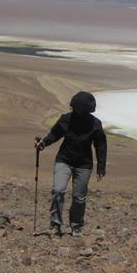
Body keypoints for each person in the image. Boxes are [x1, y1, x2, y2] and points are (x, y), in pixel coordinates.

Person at [35, 91, 107, 237]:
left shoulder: (95, 124)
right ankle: (55, 225)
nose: (76, 111)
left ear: (87, 110)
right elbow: (55, 134)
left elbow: (100, 145)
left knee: (79, 197)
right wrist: (43, 143)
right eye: (75, 108)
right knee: (58, 190)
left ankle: (76, 225)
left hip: (84, 164)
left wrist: (101, 167)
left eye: (79, 109)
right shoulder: (66, 119)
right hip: (64, 160)